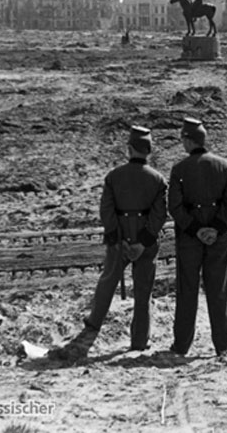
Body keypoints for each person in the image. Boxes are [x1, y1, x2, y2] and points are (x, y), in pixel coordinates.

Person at [84, 125, 168, 352]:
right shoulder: (158, 180)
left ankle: (92, 326)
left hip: (119, 236)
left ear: (129, 149)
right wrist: (143, 242)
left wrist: (117, 239)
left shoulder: (113, 177)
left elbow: (107, 211)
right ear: (149, 151)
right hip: (146, 241)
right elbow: (160, 214)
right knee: (143, 290)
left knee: (108, 281)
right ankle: (139, 340)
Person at [168, 117, 227, 357]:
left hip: (189, 239)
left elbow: (175, 207)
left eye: (182, 139)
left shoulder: (179, 170)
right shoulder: (224, 166)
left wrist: (196, 229)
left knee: (187, 290)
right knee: (218, 289)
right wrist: (216, 228)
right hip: (218, 238)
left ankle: (181, 346)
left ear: (189, 141)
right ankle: (223, 345)